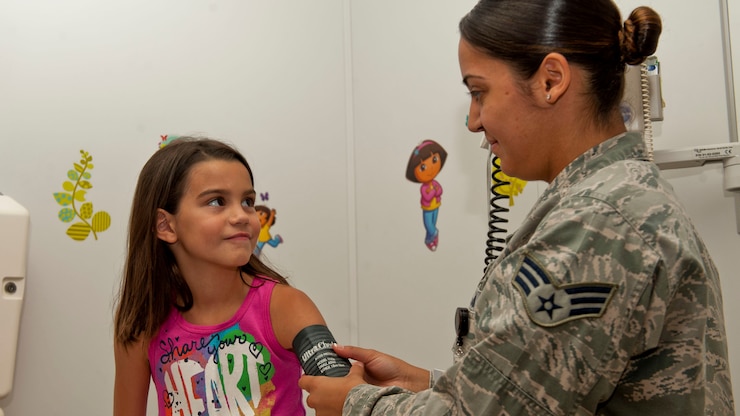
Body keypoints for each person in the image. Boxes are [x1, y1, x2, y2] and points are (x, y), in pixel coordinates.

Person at [299, 0, 735, 414]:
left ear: (550, 80)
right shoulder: (612, 199)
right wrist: (424, 384)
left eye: (479, 92)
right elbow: (539, 396)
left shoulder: (599, 221)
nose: (473, 120)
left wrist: (354, 404)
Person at [113, 137, 330, 415]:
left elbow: (338, 394)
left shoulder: (287, 307)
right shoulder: (143, 322)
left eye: (247, 201)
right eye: (217, 201)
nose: (241, 215)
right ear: (166, 225)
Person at [405, 140, 448, 251]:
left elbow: (440, 191)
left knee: (433, 222)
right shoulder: (424, 187)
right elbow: (427, 197)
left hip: (436, 206)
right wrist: (434, 192)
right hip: (427, 209)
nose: (431, 169)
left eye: (434, 160)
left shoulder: (434, 184)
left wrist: (435, 191)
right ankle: (432, 236)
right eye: (423, 167)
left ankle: (431, 239)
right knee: (429, 225)